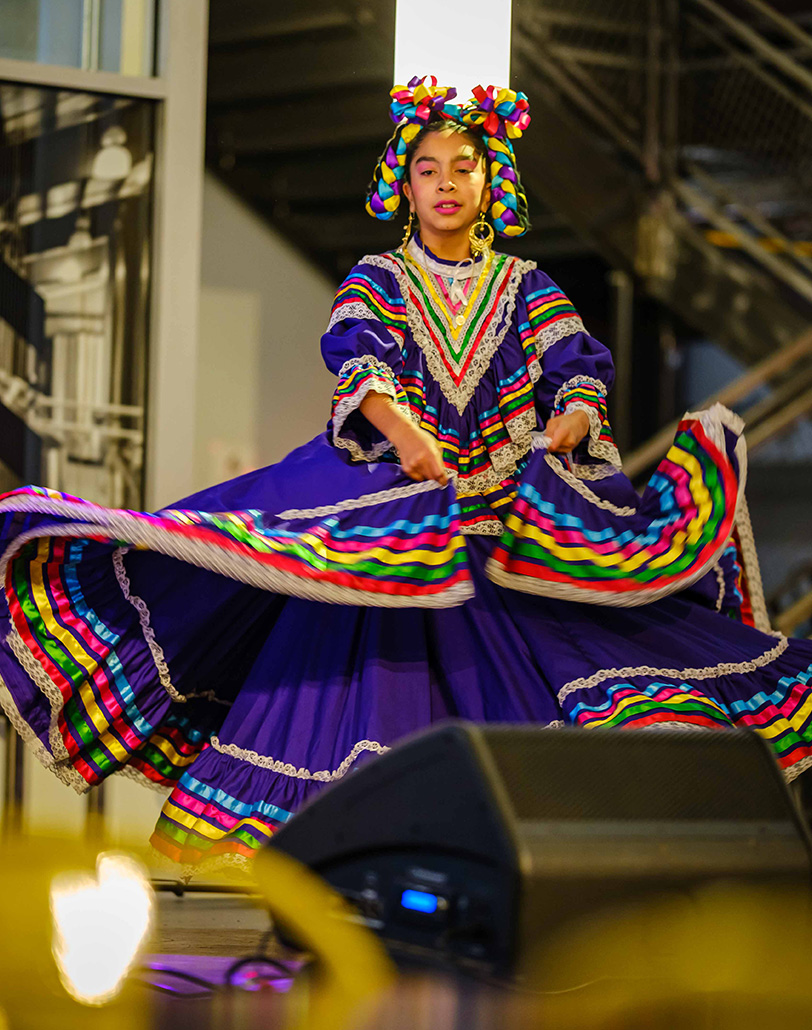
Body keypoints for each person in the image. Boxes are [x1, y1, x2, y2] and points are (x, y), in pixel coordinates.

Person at [0, 77, 810, 874]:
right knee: (365, 711)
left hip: (505, 540)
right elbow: (360, 364)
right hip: (397, 535)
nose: (446, 183)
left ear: (492, 181)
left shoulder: (527, 286)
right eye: (428, 168)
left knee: (560, 711)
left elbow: (577, 373)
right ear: (404, 183)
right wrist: (404, 432)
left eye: (463, 165)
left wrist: (571, 420)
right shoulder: (378, 279)